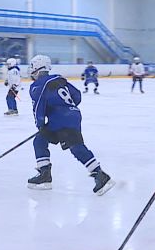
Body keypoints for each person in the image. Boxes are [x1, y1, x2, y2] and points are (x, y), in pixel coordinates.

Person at [27, 54, 115, 196]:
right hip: (73, 114)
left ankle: (45, 175)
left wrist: (41, 124)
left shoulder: (37, 85)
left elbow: (38, 107)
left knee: (42, 139)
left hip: (60, 119)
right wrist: (66, 108)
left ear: (37, 69)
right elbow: (77, 95)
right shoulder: (60, 79)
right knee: (62, 144)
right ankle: (99, 174)